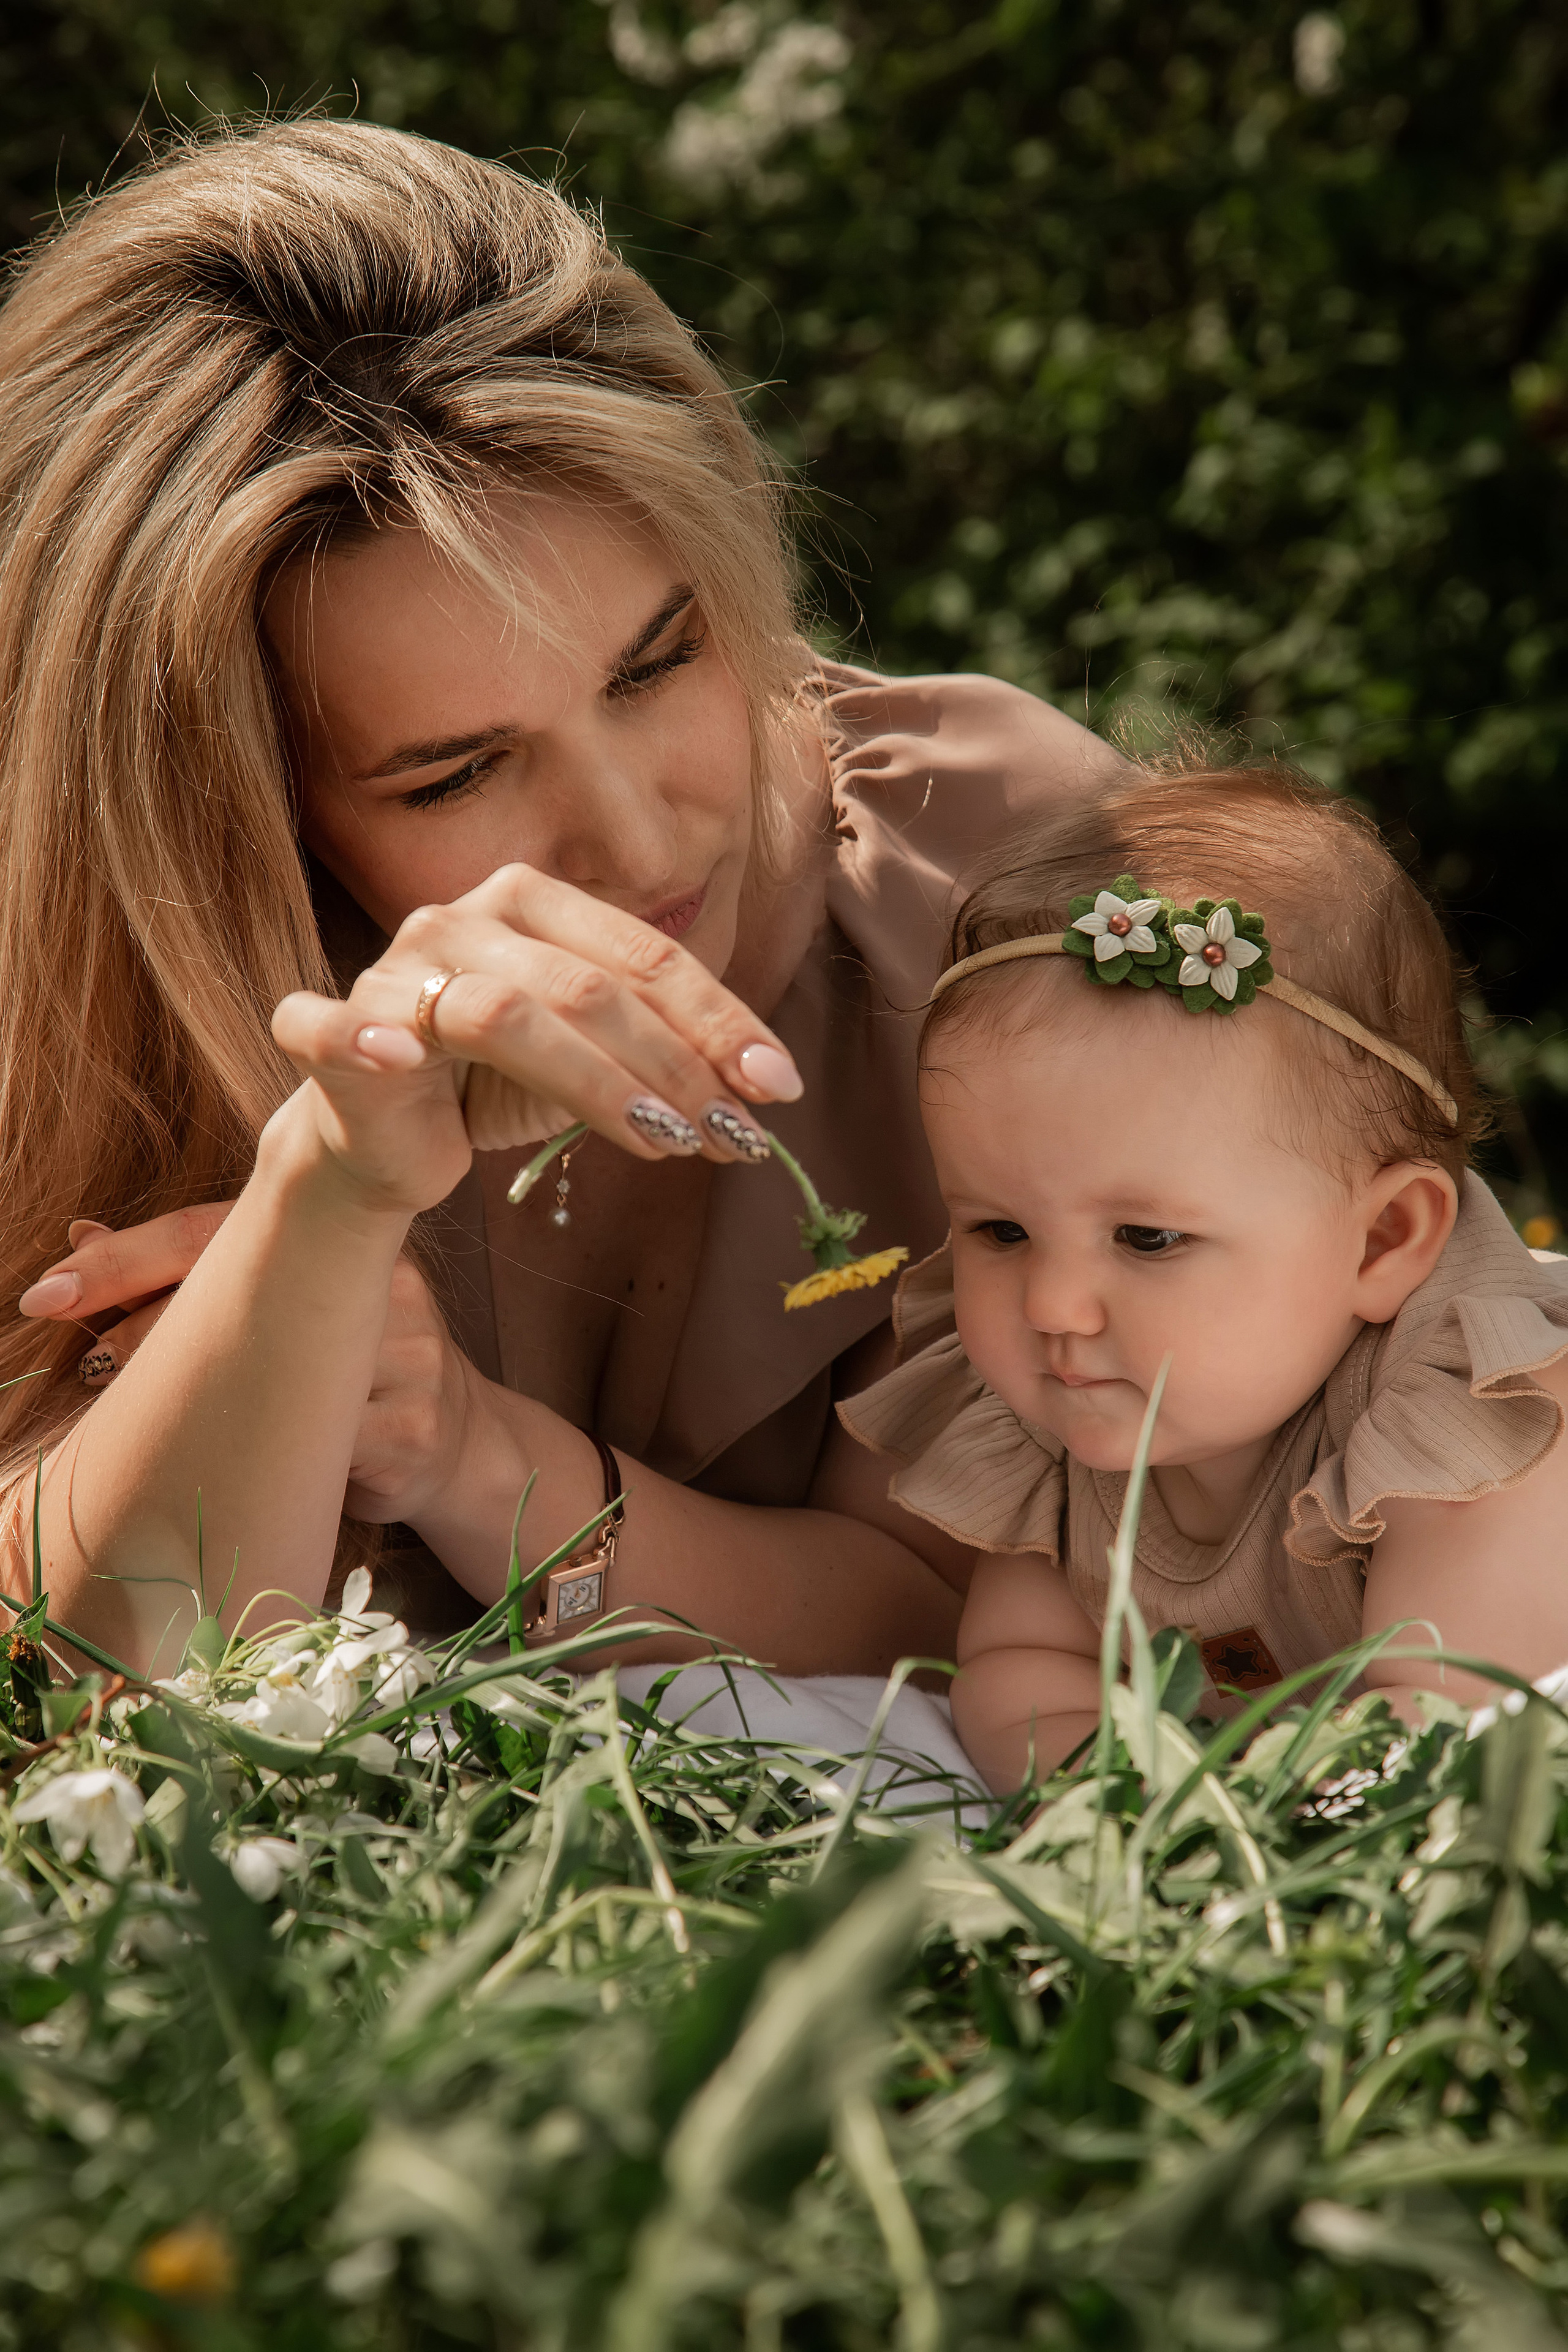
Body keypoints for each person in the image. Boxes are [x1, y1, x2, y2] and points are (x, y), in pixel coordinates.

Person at [0, 117, 1120, 1676]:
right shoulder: (110, 1007)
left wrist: (469, 1455)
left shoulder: (989, 873)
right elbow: (96, 1689)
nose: (635, 838)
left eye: (659, 662)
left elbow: (962, 1625)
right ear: (240, 816)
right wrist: (326, 1192)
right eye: (454, 774)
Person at [835, 762, 1568, 1792]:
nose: (1050, 1307)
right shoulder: (1071, 1430)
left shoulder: (1475, 1414)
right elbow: (1023, 1671)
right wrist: (1121, 1802)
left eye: (1145, 1239)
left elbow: (1437, 1731)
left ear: (1383, 1241)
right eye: (1000, 1230)